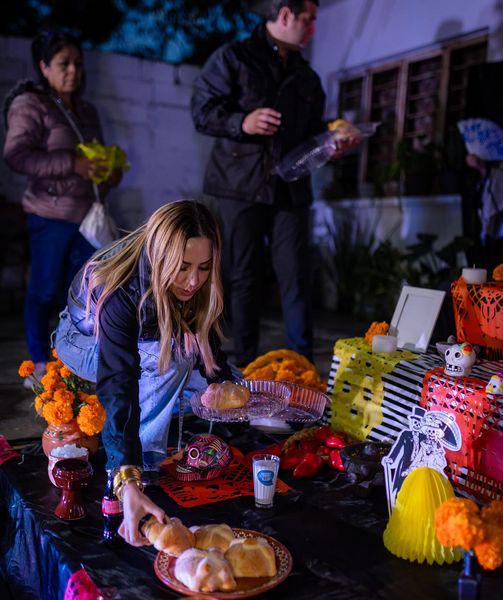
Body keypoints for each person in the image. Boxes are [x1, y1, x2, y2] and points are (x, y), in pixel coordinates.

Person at [54, 200, 236, 546]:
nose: (195, 280)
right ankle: (144, 461)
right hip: (81, 341)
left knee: (208, 375)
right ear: (161, 257)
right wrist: (127, 476)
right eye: (183, 268)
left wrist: (220, 381)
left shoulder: (191, 280)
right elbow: (118, 380)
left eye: (204, 267)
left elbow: (202, 330)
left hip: (145, 333)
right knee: (171, 358)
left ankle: (168, 410)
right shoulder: (121, 290)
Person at [191, 0, 356, 367]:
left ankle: (302, 368)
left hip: (290, 188)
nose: (314, 27)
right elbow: (202, 112)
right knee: (243, 276)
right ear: (284, 15)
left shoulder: (307, 77)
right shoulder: (234, 57)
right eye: (308, 19)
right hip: (240, 184)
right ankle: (243, 366)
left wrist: (333, 143)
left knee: (296, 276)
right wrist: (242, 122)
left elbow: (313, 134)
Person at [3, 31, 120, 379]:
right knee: (44, 288)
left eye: (78, 64)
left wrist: (108, 174)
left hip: (87, 219)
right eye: (63, 64)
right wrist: (72, 163)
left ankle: (72, 364)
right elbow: (16, 156)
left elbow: (96, 157)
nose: (73, 71)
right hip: (49, 215)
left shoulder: (86, 111)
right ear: (43, 66)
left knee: (85, 295)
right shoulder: (30, 104)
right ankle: (39, 362)